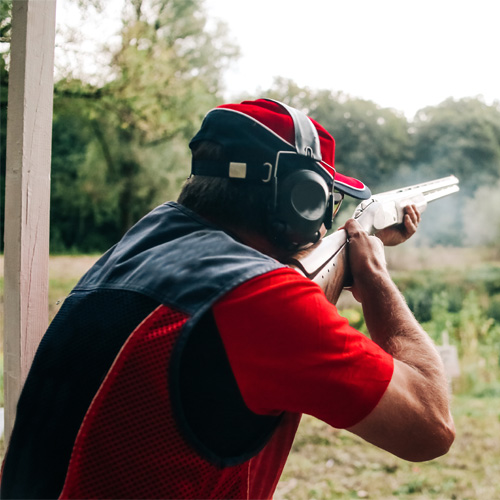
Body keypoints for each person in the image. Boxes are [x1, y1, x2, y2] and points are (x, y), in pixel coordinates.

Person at [0, 99, 455, 499]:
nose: (323, 227)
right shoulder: (259, 297)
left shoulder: (128, 257)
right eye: (325, 204)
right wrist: (372, 274)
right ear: (302, 202)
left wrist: (344, 255)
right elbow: (430, 426)